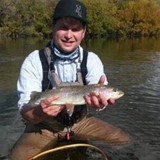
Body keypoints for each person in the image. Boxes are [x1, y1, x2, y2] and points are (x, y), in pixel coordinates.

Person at [9, 0, 130, 159]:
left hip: (80, 122)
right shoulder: (33, 61)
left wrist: (99, 105)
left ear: (84, 32)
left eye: (75, 29)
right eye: (64, 27)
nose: (69, 35)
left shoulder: (92, 60)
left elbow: (98, 100)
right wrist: (40, 111)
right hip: (44, 126)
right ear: (53, 28)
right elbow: (26, 112)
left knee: (124, 141)